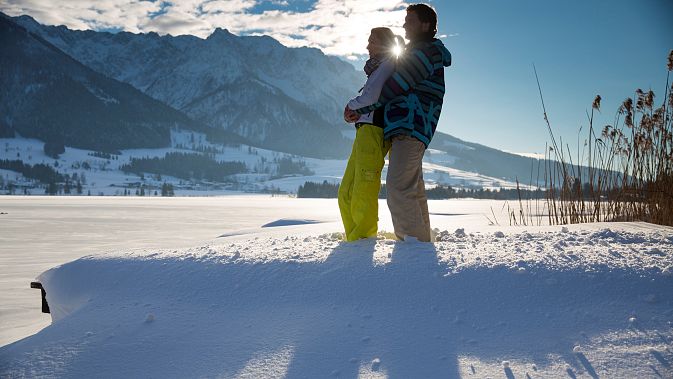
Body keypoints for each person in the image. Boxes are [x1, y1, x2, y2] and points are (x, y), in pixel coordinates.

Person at [345, 3, 451, 242]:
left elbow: (396, 86)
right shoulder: (420, 51)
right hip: (408, 127)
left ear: (426, 25)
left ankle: (413, 248)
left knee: (398, 188)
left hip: (412, 126)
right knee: (413, 189)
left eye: (410, 20)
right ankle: (423, 244)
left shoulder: (426, 52)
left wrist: (359, 108)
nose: (404, 25)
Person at [339, 27, 403, 242]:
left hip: (374, 131)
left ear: (384, 44)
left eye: (372, 41)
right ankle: (354, 238)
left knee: (362, 191)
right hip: (364, 131)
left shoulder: (388, 64)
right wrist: (356, 112)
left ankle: (363, 240)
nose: (367, 46)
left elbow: (372, 96)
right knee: (346, 192)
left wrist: (351, 106)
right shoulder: (377, 68)